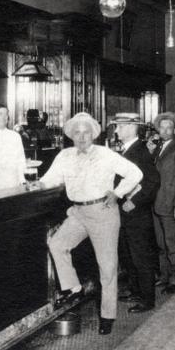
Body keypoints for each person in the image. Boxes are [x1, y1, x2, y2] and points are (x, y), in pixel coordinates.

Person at [41, 112, 143, 335]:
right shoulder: (65, 155)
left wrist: (117, 193)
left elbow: (135, 173)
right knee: (57, 244)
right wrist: (31, 185)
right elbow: (49, 179)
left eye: (86, 132)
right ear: (71, 135)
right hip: (78, 212)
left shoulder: (105, 154)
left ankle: (107, 316)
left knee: (107, 267)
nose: (81, 136)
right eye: (77, 132)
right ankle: (73, 287)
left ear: (93, 134)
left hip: (103, 213)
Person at [112, 113, 160, 314]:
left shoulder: (139, 151)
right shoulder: (128, 150)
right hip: (125, 213)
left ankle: (147, 299)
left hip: (136, 214)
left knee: (141, 257)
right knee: (129, 256)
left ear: (131, 128)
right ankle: (136, 291)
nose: (116, 131)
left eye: (119, 127)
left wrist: (134, 201)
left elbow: (152, 181)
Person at [149, 112, 175, 295]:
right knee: (160, 243)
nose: (165, 130)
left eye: (169, 127)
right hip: (156, 202)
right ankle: (164, 276)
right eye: (162, 127)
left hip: (171, 203)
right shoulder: (158, 148)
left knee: (172, 244)